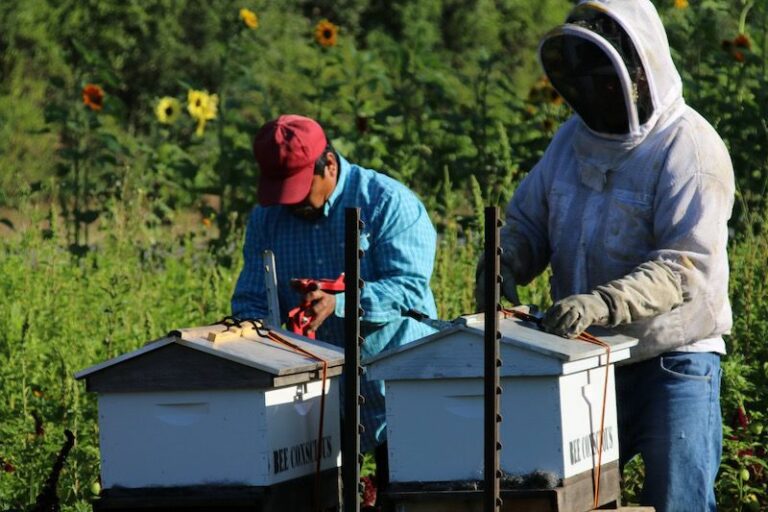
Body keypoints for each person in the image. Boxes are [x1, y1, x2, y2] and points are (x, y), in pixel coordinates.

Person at [477, 1, 734, 511]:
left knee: (677, 499)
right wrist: (504, 261)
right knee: (576, 500)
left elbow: (684, 267)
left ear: (642, 73)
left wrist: (602, 302)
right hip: (585, 359)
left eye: (608, 83)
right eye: (589, 84)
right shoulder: (570, 141)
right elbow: (529, 220)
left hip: (673, 361)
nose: (598, 97)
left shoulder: (690, 150)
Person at [232, 114, 438, 481]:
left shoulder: (387, 203)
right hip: (312, 400)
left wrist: (338, 302)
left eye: (297, 190)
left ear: (328, 164)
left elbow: (408, 290)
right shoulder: (267, 216)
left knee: (406, 496)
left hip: (394, 385)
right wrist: (252, 332)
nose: (290, 205)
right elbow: (251, 297)